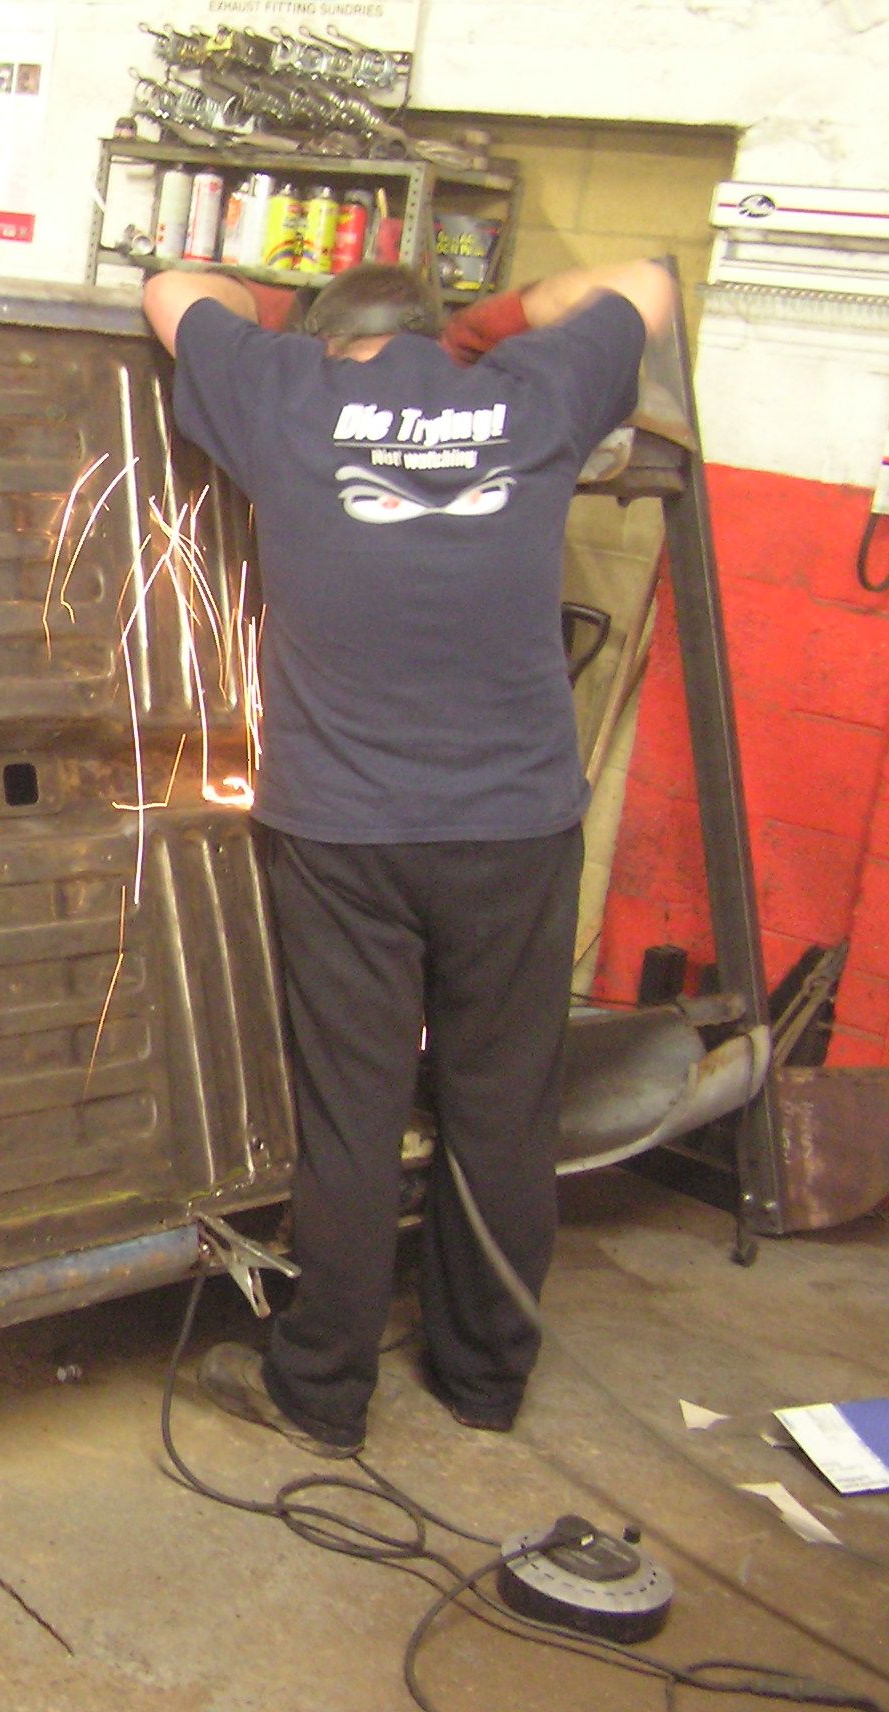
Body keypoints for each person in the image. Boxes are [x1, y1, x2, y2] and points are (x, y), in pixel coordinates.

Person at [140, 257, 677, 1457]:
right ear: (437, 336)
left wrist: (271, 316)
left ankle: (320, 1389)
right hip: (514, 828)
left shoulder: (285, 393)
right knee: (502, 1106)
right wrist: (497, 322)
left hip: (343, 834)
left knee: (353, 1113)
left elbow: (171, 287)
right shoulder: (531, 392)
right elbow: (645, 279)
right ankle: (483, 1377)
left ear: (330, 341)